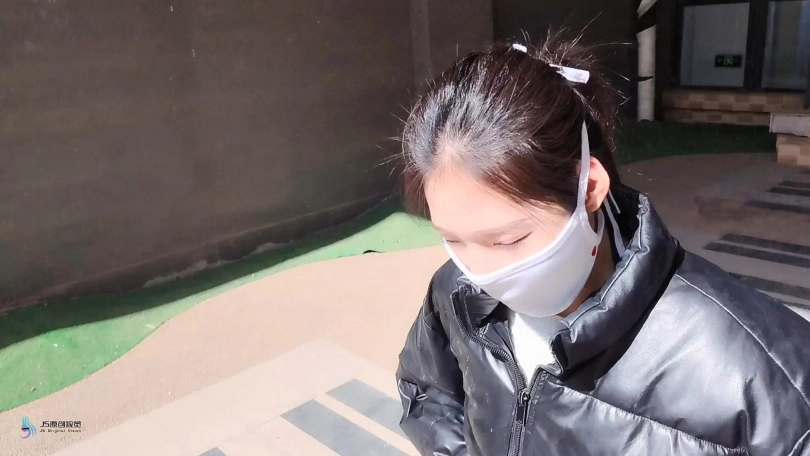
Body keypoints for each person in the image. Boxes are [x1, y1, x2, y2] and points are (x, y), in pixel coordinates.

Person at [395, 36, 810, 456]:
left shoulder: (760, 377)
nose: (481, 273)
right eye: (453, 239)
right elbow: (427, 391)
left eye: (509, 239)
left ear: (589, 188)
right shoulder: (455, 293)